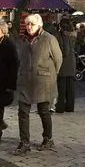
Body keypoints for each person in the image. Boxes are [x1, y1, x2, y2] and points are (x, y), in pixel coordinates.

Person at [14, 14, 62, 155]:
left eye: (32, 24)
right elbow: (19, 59)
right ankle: (24, 142)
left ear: (39, 25)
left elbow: (58, 60)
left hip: (43, 82)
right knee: (23, 111)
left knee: (44, 111)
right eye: (27, 24)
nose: (29, 27)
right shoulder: (22, 40)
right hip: (25, 80)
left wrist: (50, 75)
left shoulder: (49, 39)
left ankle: (48, 138)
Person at [55, 18, 77, 113]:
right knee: (70, 87)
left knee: (62, 87)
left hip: (64, 64)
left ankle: (60, 107)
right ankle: (70, 107)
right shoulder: (73, 35)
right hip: (71, 64)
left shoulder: (62, 36)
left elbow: (65, 51)